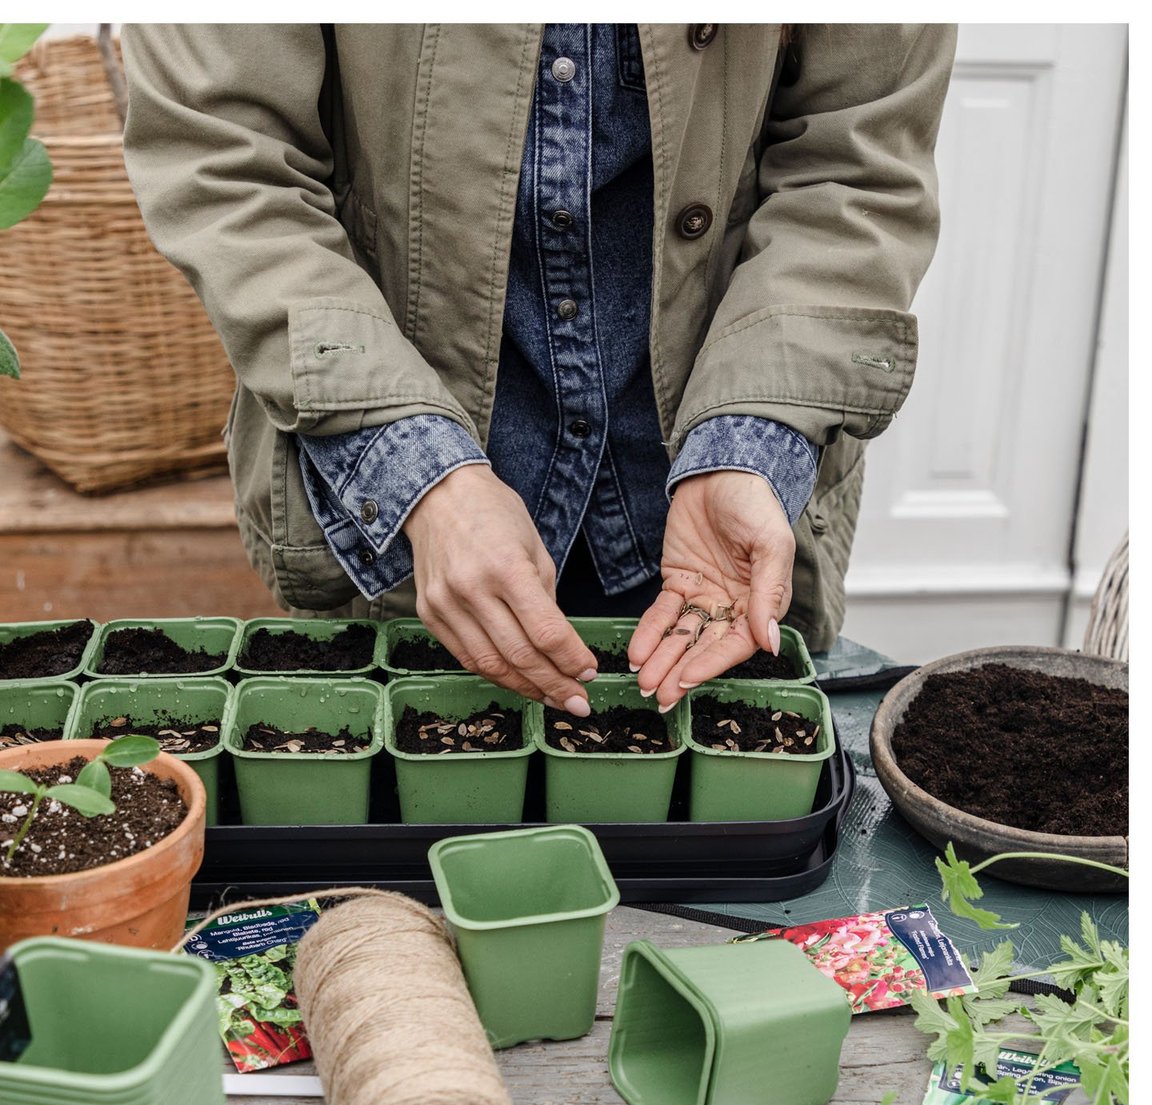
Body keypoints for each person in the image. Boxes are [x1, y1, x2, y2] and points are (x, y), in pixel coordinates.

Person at [122, 23, 956, 717]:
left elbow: (855, 166)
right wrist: (418, 473)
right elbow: (225, 159)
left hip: (708, 521)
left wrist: (751, 440)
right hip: (399, 540)